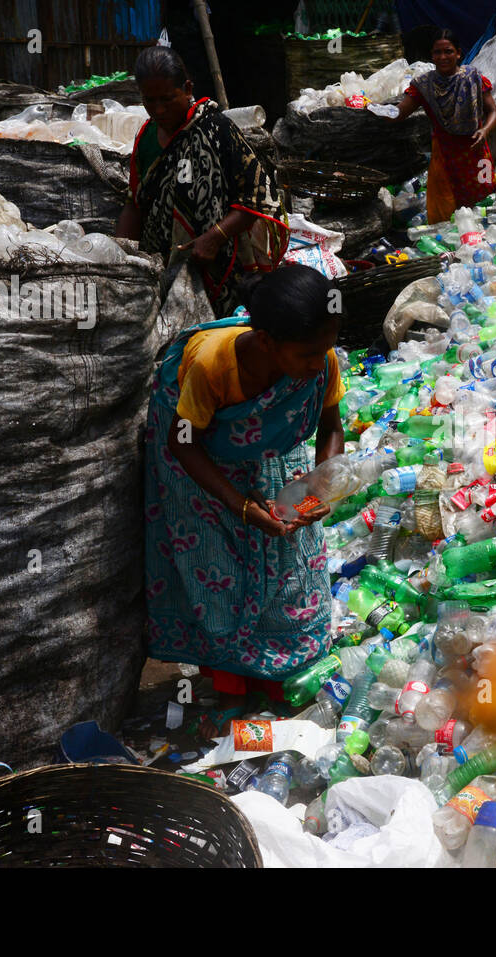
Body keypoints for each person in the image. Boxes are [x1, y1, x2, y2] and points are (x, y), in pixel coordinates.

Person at [143, 264, 345, 720]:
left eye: (326, 350)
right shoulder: (213, 365)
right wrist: (240, 506)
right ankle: (230, 680)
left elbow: (331, 426)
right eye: (307, 355)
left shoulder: (320, 360)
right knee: (218, 565)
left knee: (293, 562)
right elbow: (183, 442)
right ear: (269, 342)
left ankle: (280, 675)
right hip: (196, 454)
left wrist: (319, 485)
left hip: (267, 447)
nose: (319, 364)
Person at [116, 46, 286, 317]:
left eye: (168, 99)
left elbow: (257, 196)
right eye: (149, 100)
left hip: (216, 265)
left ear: (187, 88)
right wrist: (122, 257)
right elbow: (134, 203)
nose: (158, 109)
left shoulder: (216, 130)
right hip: (160, 265)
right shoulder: (146, 136)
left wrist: (214, 237)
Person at [390, 29, 496, 225]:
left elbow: (493, 111)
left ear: (458, 53)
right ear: (431, 55)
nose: (443, 57)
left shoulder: (473, 78)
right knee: (444, 210)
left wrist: (485, 130)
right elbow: (399, 113)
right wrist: (375, 111)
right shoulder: (423, 85)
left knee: (485, 201)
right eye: (437, 53)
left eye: (448, 51)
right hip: (445, 154)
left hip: (476, 151)